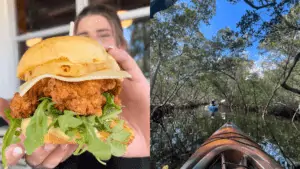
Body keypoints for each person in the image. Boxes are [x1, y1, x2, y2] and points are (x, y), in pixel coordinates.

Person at [0, 4, 150, 169]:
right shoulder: (62, 147)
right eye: (82, 36)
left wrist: (147, 139)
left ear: (121, 46)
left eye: (104, 34)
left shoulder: (143, 108)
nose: (92, 41)